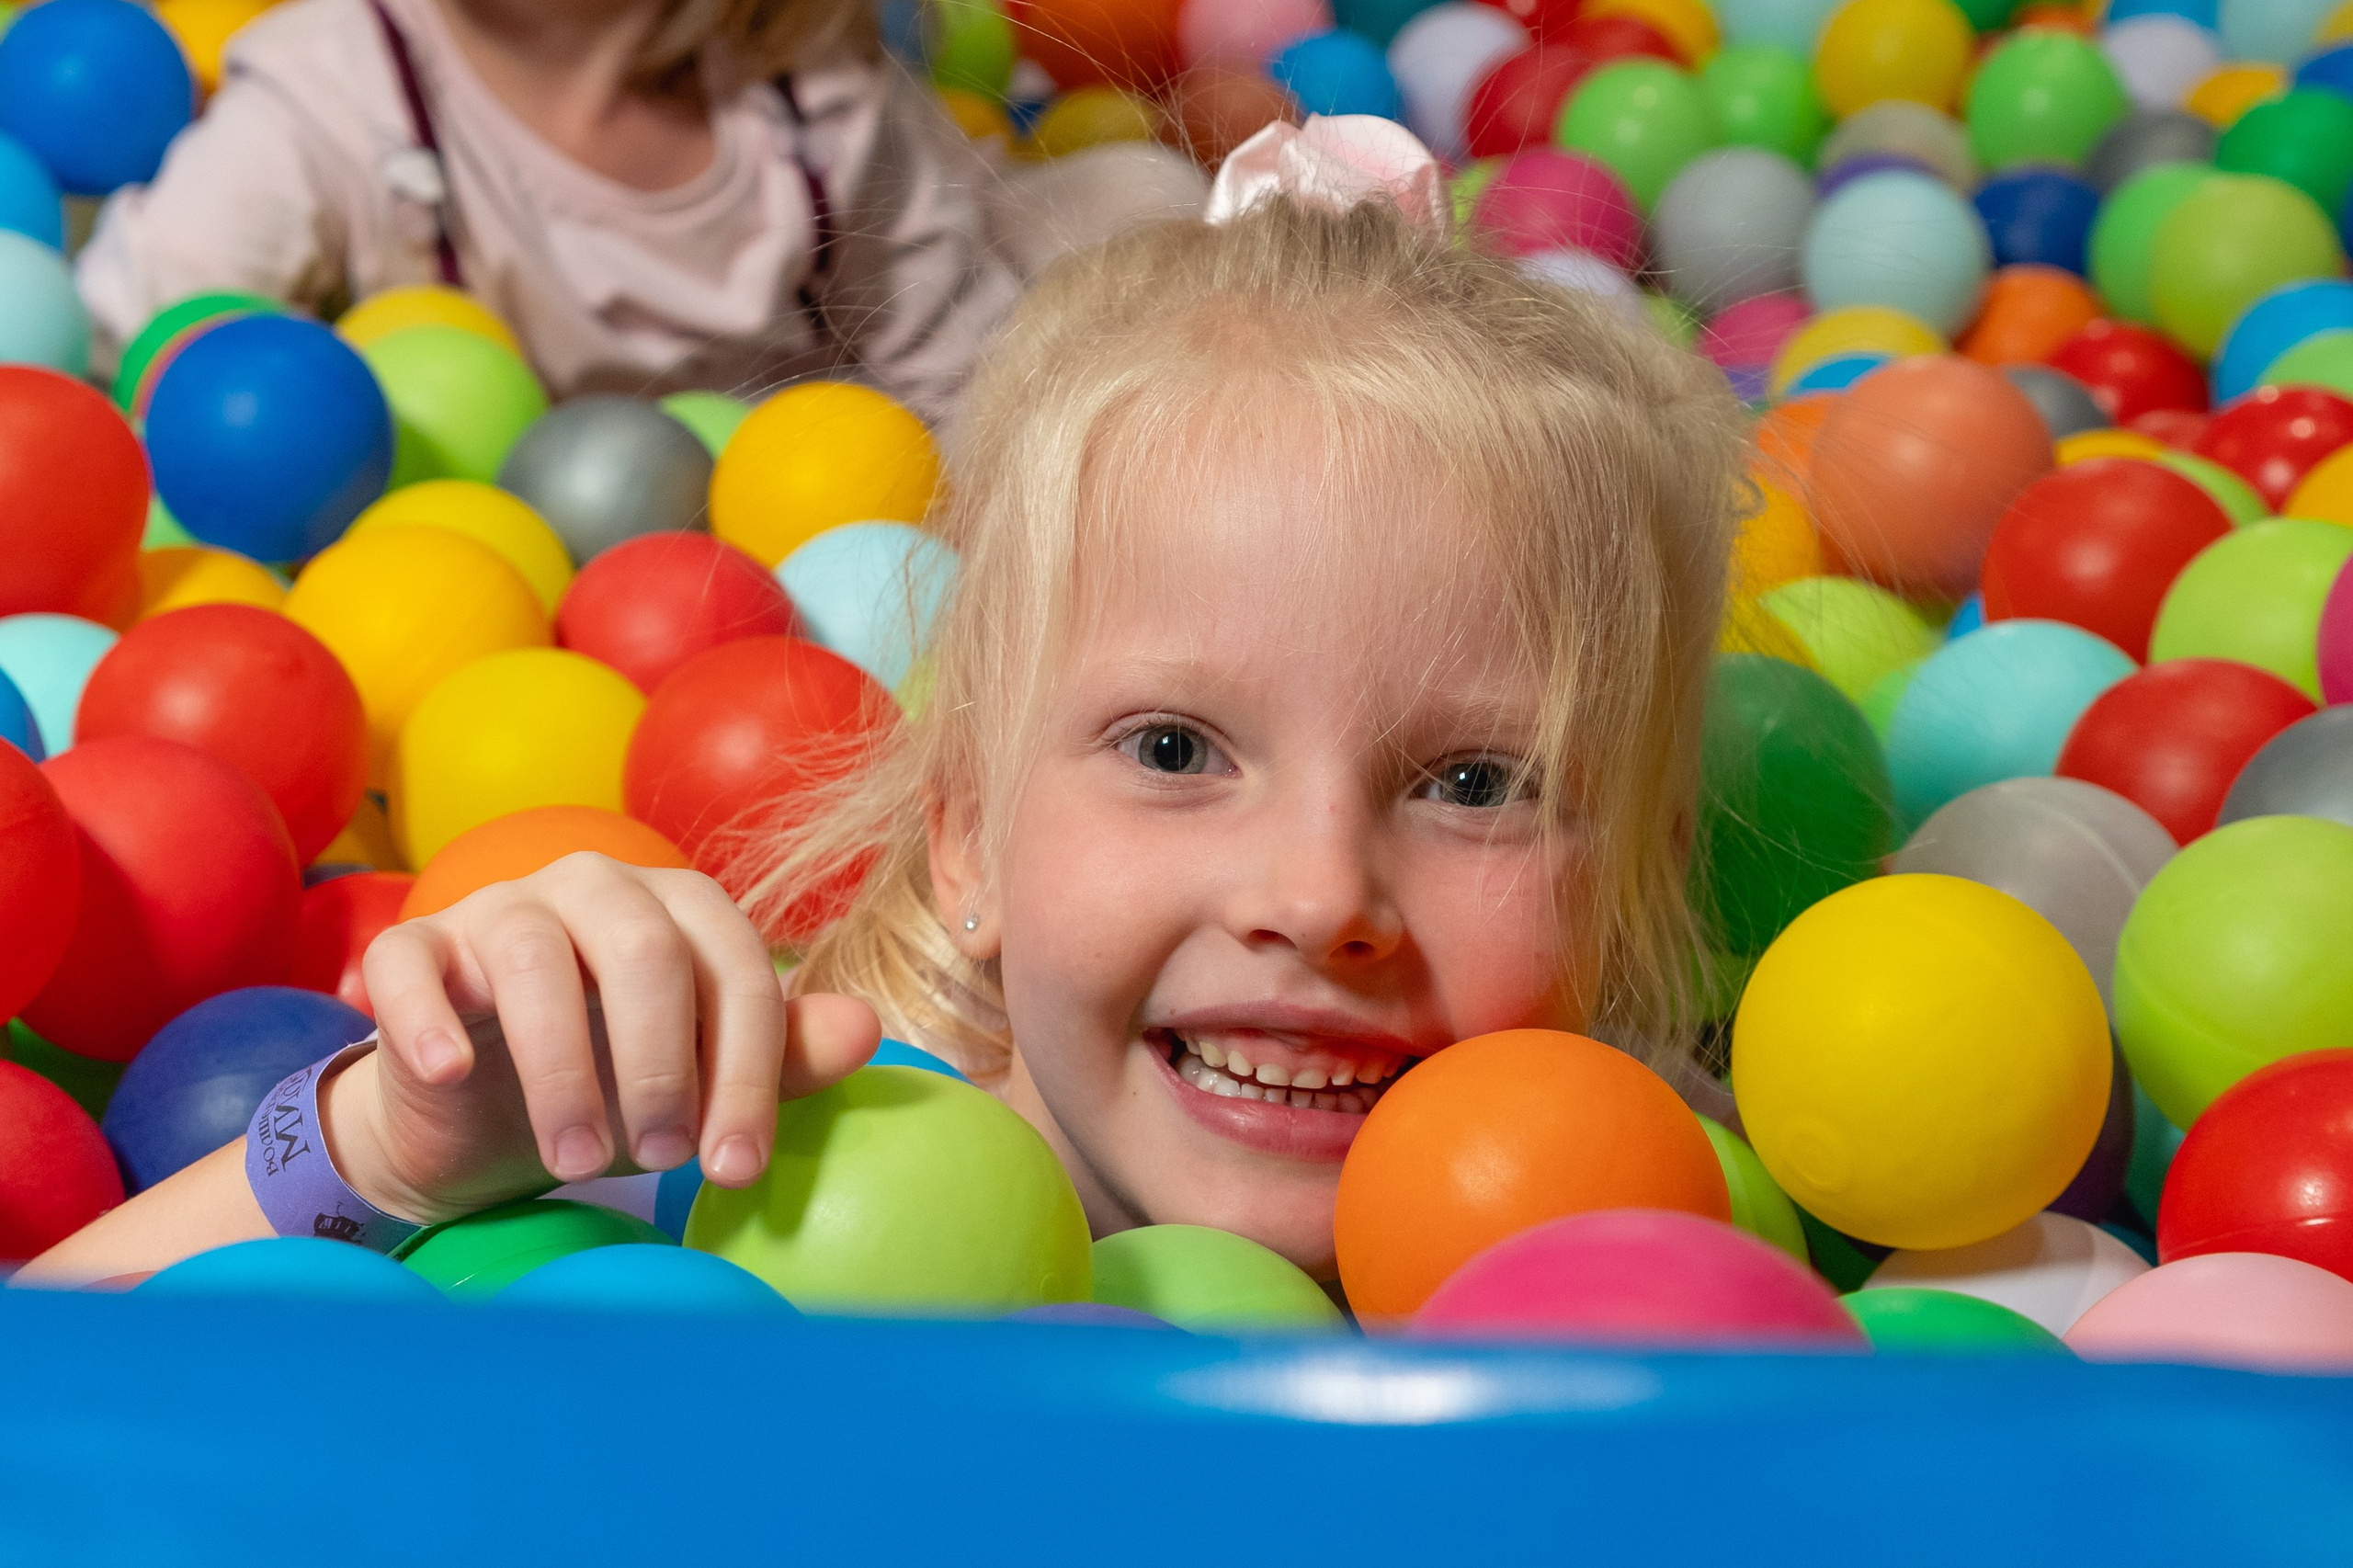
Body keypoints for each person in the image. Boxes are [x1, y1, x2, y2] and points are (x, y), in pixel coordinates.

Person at [22, 117, 1745, 1289]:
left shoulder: (1668, 1253)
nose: (1317, 898)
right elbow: (59, 1370)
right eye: (1172, 748)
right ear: (969, 832)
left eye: (1473, 783)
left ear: (1638, 871)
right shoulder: (749, 1141)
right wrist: (398, 1148)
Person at [74, 0, 1209, 416]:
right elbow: (146, 331)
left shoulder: (805, 88)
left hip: (800, 495)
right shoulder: (336, 98)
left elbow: (960, 371)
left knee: (1145, 198)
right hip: (512, 546)